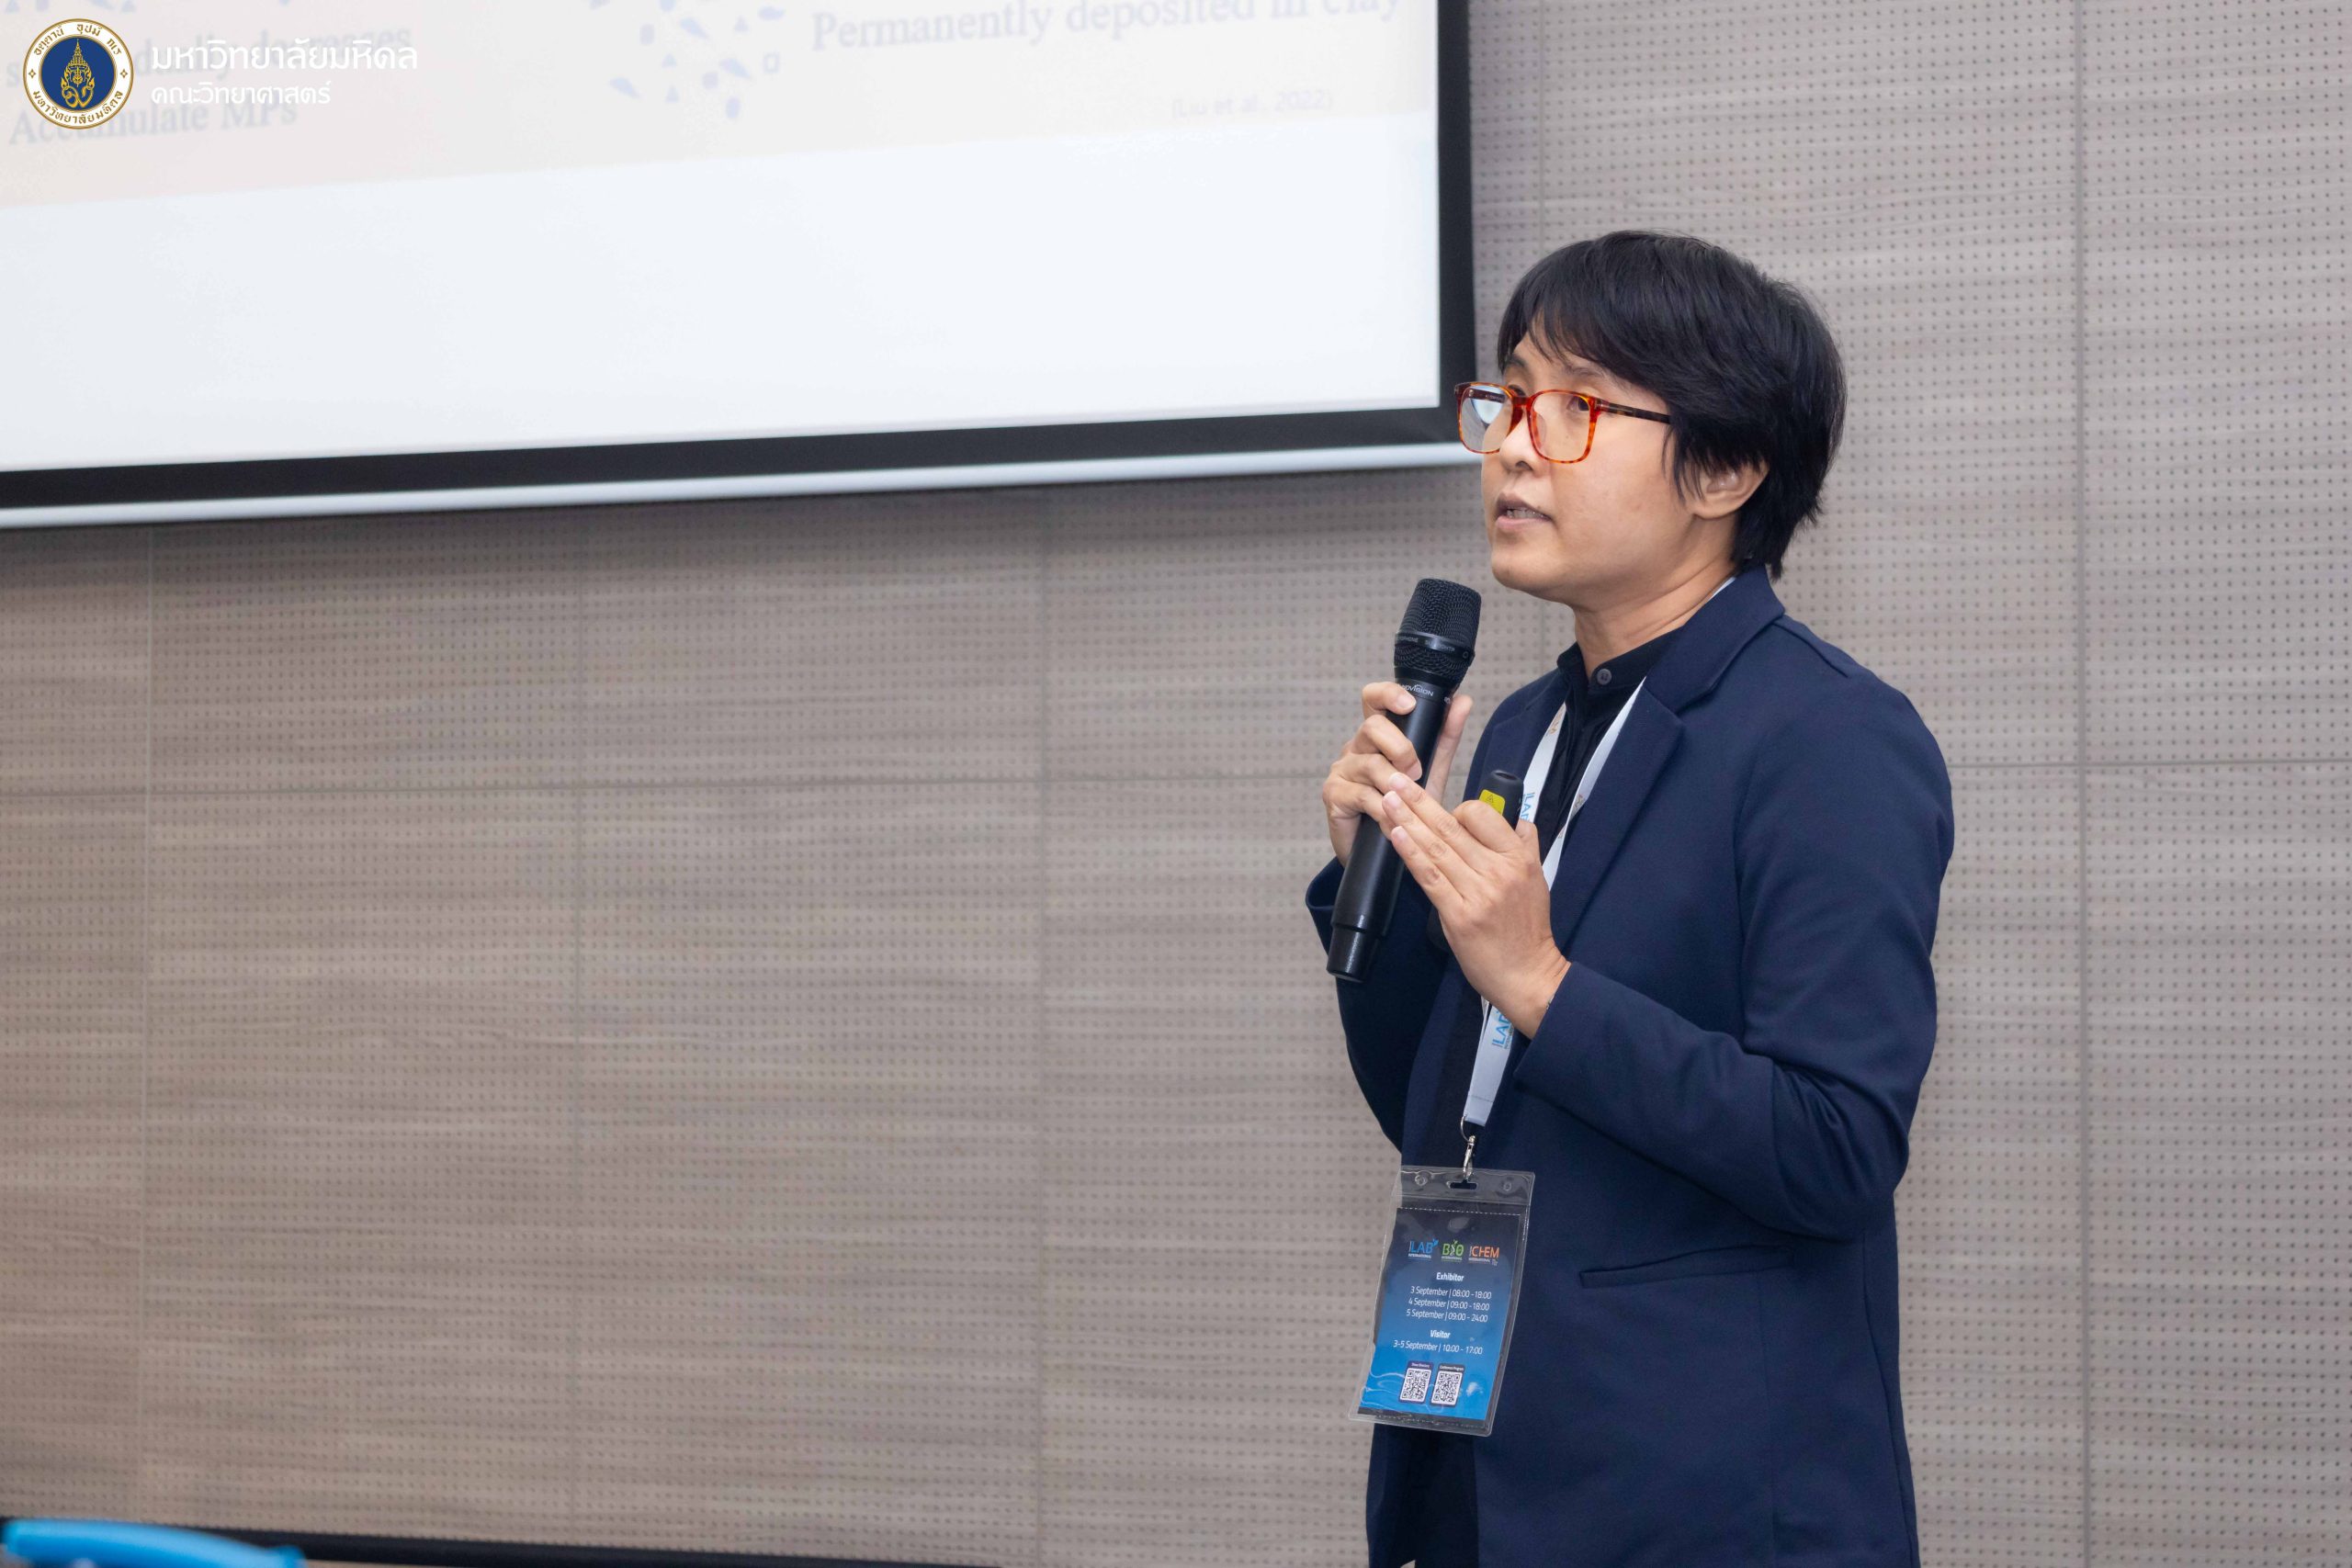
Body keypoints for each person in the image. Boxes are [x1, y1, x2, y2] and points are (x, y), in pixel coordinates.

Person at [1306, 231, 1955, 1567]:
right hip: (1480, 1453)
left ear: (1723, 469)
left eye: (1574, 408)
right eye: (1506, 400)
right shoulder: (1523, 728)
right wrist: (1380, 890)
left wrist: (1543, 985)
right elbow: (1448, 1118)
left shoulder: (1829, 737)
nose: (1513, 446)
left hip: (1701, 1500)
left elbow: (1834, 1148)